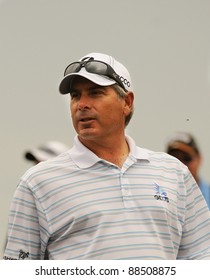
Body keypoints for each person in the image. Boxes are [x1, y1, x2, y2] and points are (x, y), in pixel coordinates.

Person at [4, 52, 210, 260]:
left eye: (95, 93)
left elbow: (201, 258)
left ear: (127, 102)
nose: (81, 104)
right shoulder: (37, 182)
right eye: (75, 95)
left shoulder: (173, 173)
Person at [166, 132, 210, 209]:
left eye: (187, 159)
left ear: (199, 159)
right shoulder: (158, 197)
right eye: (175, 159)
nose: (181, 165)